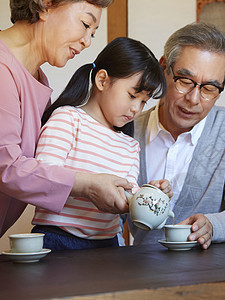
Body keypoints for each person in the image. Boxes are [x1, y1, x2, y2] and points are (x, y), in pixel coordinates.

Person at [128, 23, 225, 250]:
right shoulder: (128, 130)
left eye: (209, 88)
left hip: (212, 274)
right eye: (185, 81)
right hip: (143, 271)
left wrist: (212, 225)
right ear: (164, 67)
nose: (194, 99)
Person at [0, 0, 132, 238]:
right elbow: (6, 168)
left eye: (93, 33)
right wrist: (88, 185)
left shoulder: (38, 78)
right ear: (45, 5)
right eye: (85, 24)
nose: (87, 41)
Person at [30, 37, 172, 250]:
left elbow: (127, 198)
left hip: (109, 243)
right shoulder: (68, 119)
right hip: (58, 239)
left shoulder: (130, 145)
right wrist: (88, 186)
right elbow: (41, 178)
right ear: (102, 80)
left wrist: (149, 194)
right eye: (132, 95)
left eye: (144, 101)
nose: (136, 108)